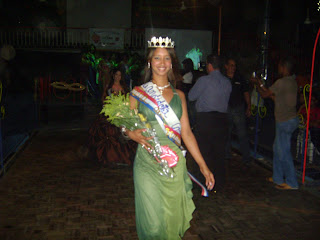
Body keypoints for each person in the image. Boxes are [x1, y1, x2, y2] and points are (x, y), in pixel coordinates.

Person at [122, 37, 215, 239]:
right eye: (157, 58)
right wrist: (130, 134)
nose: (162, 63)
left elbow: (187, 133)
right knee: (153, 224)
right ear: (149, 62)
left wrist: (202, 165)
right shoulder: (137, 94)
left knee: (170, 221)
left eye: (166, 58)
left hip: (174, 164)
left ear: (171, 63)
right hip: (147, 162)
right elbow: (124, 126)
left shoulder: (180, 95)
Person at [251, 57, 299, 190]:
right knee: (277, 149)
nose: (278, 68)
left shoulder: (282, 82)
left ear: (284, 67)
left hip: (285, 121)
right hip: (288, 120)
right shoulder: (292, 82)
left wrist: (258, 83)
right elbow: (275, 97)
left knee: (283, 152)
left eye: (279, 66)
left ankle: (292, 182)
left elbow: (265, 94)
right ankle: (277, 177)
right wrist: (260, 85)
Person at [188, 54, 232, 191]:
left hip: (206, 120)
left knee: (203, 151)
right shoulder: (227, 82)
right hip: (222, 120)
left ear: (210, 65)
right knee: (219, 153)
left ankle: (202, 183)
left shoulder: (204, 80)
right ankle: (218, 183)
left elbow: (191, 96)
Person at [88, 68, 136, 167]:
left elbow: (128, 99)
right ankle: (111, 157)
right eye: (116, 75)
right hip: (111, 112)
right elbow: (104, 100)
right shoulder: (109, 87)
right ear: (113, 76)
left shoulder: (124, 87)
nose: (118, 77)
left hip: (122, 113)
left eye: (119, 75)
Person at [223, 57, 251, 165]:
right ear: (226, 66)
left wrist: (248, 106)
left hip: (238, 108)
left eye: (234, 65)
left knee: (242, 133)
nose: (233, 68)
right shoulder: (223, 78)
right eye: (231, 65)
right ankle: (226, 155)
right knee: (227, 132)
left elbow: (246, 93)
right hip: (226, 108)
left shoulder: (240, 78)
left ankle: (246, 158)